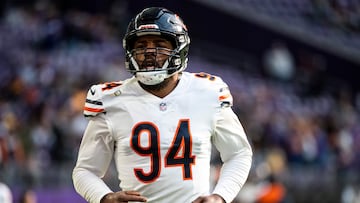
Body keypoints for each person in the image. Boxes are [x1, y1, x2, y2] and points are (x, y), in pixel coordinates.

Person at [72, 7, 253, 203]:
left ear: (179, 48)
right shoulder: (111, 99)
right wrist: (105, 197)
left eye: (160, 44)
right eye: (141, 45)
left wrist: (220, 197)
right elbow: (85, 170)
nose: (149, 52)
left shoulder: (207, 92)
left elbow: (239, 153)